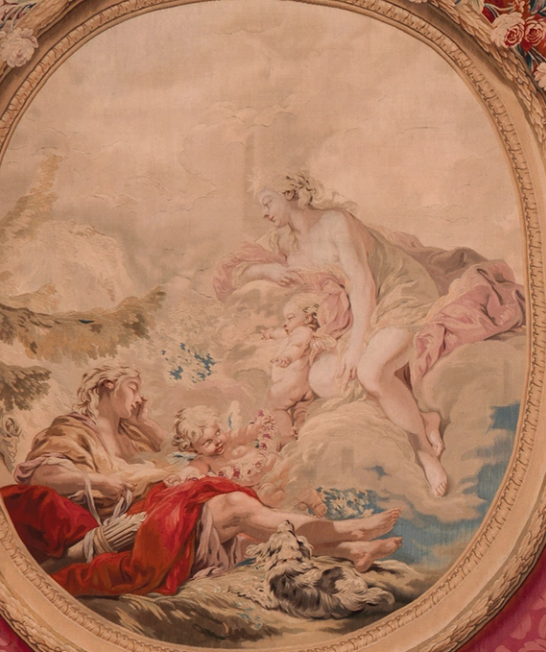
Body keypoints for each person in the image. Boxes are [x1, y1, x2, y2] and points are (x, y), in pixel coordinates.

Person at [218, 175, 526, 500]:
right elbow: (229, 274)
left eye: (267, 202)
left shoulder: (335, 222)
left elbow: (363, 284)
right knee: (322, 379)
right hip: (355, 314)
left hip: (397, 294)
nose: (264, 213)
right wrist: (266, 271)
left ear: (289, 192)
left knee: (369, 372)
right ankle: (424, 418)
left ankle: (423, 451)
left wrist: (356, 347)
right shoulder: (282, 240)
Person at [1, 363, 398, 600]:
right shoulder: (73, 428)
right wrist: (101, 483)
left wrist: (142, 421)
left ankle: (351, 550)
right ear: (108, 385)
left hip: (159, 505)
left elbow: (172, 450)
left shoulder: (131, 430)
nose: (138, 398)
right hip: (131, 525)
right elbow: (40, 474)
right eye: (133, 389)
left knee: (248, 530)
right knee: (237, 509)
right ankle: (349, 531)